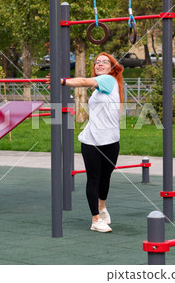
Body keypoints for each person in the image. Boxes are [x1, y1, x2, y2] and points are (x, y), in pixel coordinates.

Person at [48, 52, 124, 232]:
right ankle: (95, 220)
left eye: (105, 62)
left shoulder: (109, 81)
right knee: (94, 179)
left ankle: (102, 207)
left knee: (106, 177)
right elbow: (83, 83)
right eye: (97, 62)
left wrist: (62, 81)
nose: (99, 64)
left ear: (112, 67)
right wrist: (63, 82)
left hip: (112, 140)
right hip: (92, 141)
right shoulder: (101, 86)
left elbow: (83, 81)